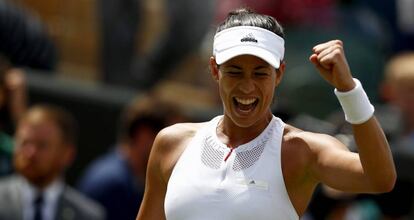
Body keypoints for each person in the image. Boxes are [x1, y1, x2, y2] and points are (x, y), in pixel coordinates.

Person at [136, 8, 396, 220]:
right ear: (215, 71)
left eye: (260, 73)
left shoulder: (303, 150)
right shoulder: (171, 143)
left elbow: (380, 179)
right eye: (235, 71)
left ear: (279, 74)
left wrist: (349, 89)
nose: (247, 86)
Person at [77, 96, 184, 220]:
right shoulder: (112, 185)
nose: (178, 150)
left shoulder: (126, 178)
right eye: (173, 141)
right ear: (143, 135)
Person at [0, 104, 105, 220]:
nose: (30, 153)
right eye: (24, 143)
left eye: (42, 145)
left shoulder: (88, 215)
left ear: (67, 154)